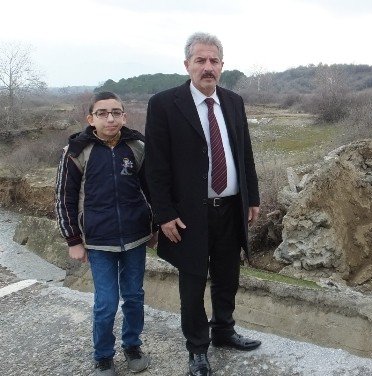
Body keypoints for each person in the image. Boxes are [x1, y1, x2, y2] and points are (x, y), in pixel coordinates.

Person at [144, 32, 261, 376]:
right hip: (188, 215)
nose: (208, 67)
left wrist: (251, 196)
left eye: (214, 61)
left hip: (230, 209)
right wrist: (163, 213)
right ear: (187, 65)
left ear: (222, 66)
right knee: (192, 282)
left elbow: (244, 153)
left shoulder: (234, 101)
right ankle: (197, 348)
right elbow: (156, 165)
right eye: (201, 60)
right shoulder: (165, 104)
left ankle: (224, 331)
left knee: (228, 276)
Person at [55, 91, 154, 376]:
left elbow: (153, 191)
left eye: (115, 112)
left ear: (124, 116)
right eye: (102, 113)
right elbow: (64, 198)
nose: (110, 118)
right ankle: (103, 356)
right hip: (98, 242)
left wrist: (156, 226)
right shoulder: (76, 152)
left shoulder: (137, 146)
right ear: (91, 118)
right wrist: (73, 239)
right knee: (106, 302)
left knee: (134, 296)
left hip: (135, 237)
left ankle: (132, 346)